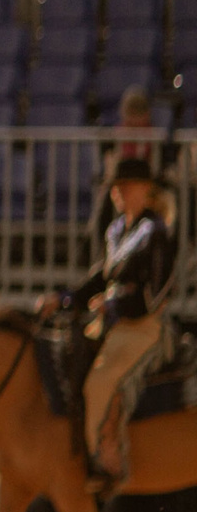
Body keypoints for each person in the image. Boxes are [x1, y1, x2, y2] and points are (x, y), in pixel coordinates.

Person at [47, 155, 177, 485]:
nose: (117, 193)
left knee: (101, 381)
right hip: (113, 323)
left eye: (125, 186)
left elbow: (156, 295)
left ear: (145, 190)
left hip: (143, 327)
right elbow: (102, 277)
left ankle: (100, 460)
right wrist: (66, 298)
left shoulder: (156, 232)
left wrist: (115, 305)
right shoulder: (118, 230)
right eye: (115, 188)